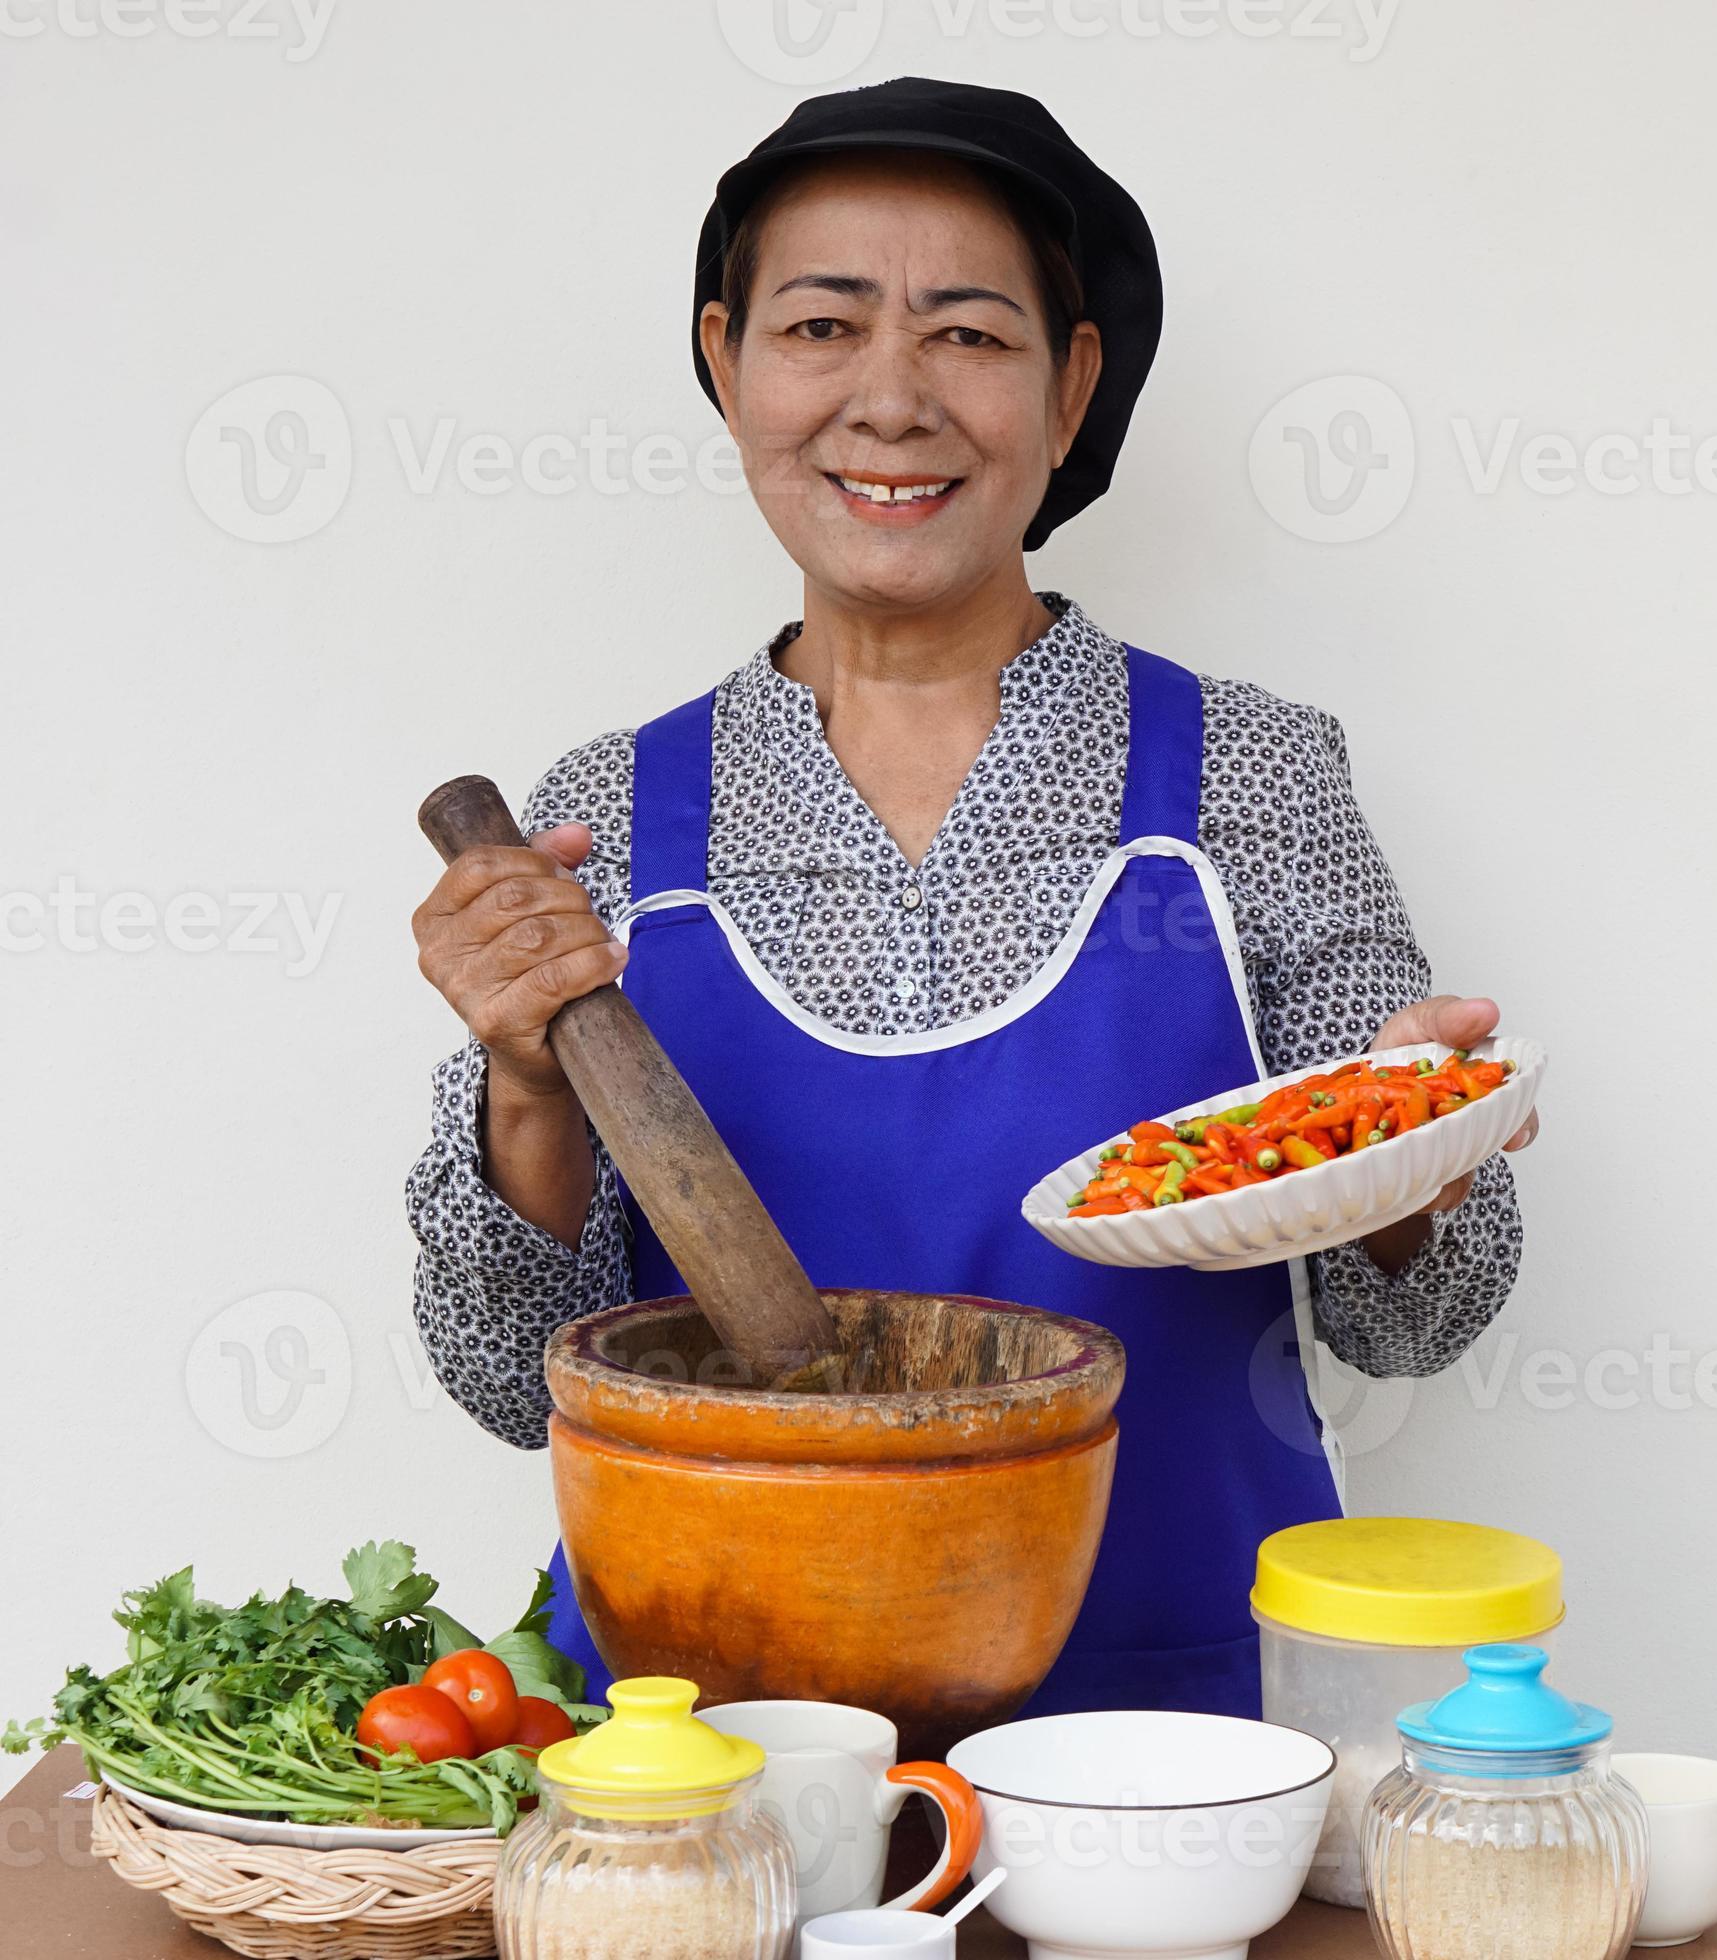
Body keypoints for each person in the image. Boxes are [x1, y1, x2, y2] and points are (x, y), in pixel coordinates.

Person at [405, 79, 1528, 1718]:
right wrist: (523, 1083)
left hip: (1164, 1745)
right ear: (727, 364)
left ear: (1071, 388)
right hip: (707, 1744)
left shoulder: (1253, 780)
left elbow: (1425, 1325)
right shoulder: (603, 824)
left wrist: (1411, 1163)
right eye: (821, 326)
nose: (890, 401)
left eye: (970, 337)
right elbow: (512, 1381)